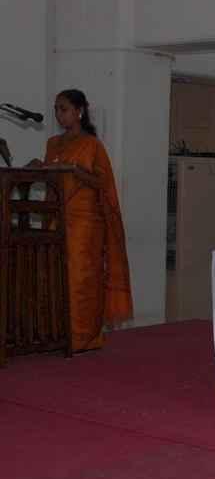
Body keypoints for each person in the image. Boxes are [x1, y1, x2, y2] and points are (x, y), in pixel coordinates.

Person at [26, 89, 133, 351]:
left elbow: (102, 183)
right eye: (56, 109)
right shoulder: (53, 143)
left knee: (80, 278)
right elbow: (52, 180)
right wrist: (38, 168)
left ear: (79, 111)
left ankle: (83, 337)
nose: (58, 114)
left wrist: (75, 170)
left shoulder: (92, 145)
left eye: (63, 109)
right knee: (54, 277)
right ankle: (57, 334)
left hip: (85, 223)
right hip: (56, 218)